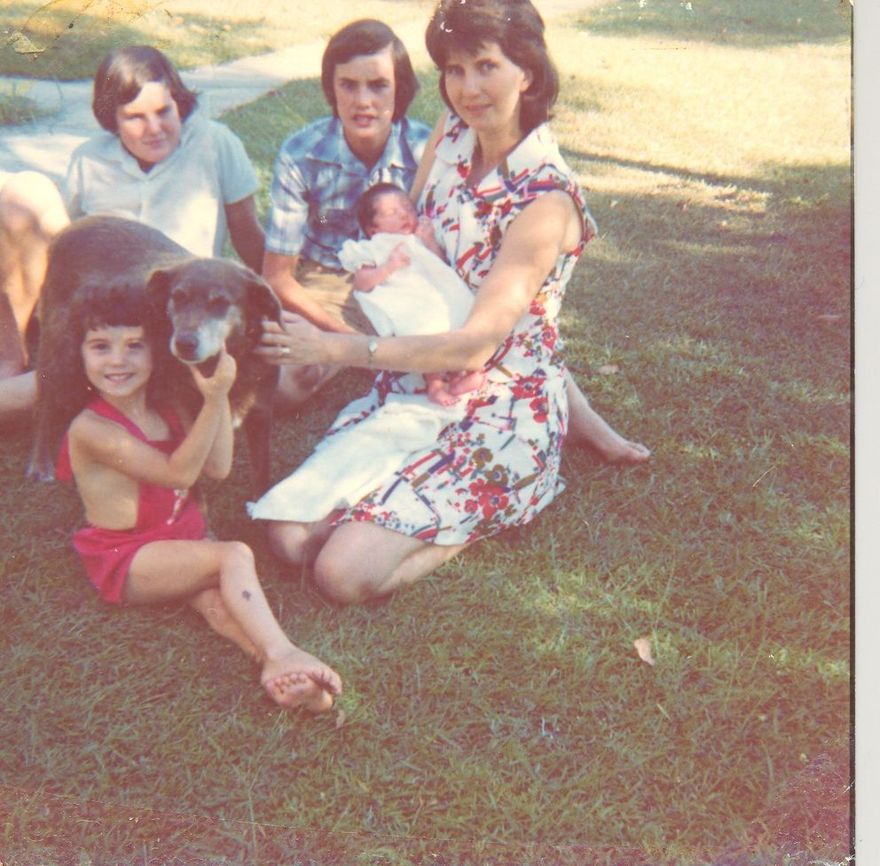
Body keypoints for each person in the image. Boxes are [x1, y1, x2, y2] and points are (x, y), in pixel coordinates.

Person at [256, 0, 644, 605]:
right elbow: (406, 245)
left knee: (340, 574)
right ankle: (402, 507)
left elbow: (478, 344)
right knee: (287, 537)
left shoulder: (545, 201)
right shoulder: (452, 133)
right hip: (421, 381)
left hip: (499, 404)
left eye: (486, 66)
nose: (467, 89)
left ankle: (495, 505)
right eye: (455, 70)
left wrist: (336, 347)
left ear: (528, 71)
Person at [48, 280, 341, 711]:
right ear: (79, 354)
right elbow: (179, 473)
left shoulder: (164, 408)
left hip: (179, 540)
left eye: (134, 346)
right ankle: (285, 650)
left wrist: (215, 401)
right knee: (232, 556)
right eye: (100, 347)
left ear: (157, 350)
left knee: (218, 605)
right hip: (128, 556)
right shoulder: (91, 429)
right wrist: (216, 395)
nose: (117, 360)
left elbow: (218, 467)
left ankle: (283, 674)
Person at [0, 45, 265, 418]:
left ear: (179, 103)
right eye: (135, 117)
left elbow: (249, 236)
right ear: (112, 119)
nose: (154, 129)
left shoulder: (216, 144)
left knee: (47, 385)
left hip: (165, 320)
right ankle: (13, 357)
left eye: (164, 111)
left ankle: (38, 382)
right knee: (25, 191)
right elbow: (65, 245)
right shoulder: (89, 159)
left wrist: (275, 306)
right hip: (92, 308)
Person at [260, 18, 432, 406]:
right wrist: (350, 341)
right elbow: (277, 276)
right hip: (325, 286)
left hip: (405, 281)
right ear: (331, 88)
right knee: (284, 385)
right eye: (348, 85)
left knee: (454, 358)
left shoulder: (428, 153)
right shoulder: (301, 154)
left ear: (400, 88)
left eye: (378, 85)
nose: (362, 101)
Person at [345, 181, 484, 406]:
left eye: (407, 208)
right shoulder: (373, 247)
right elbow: (361, 282)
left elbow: (439, 264)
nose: (404, 214)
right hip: (409, 302)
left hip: (436, 294)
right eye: (392, 212)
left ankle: (461, 374)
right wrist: (387, 267)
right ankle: (435, 384)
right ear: (372, 228)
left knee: (458, 321)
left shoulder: (417, 237)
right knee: (425, 332)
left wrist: (429, 240)